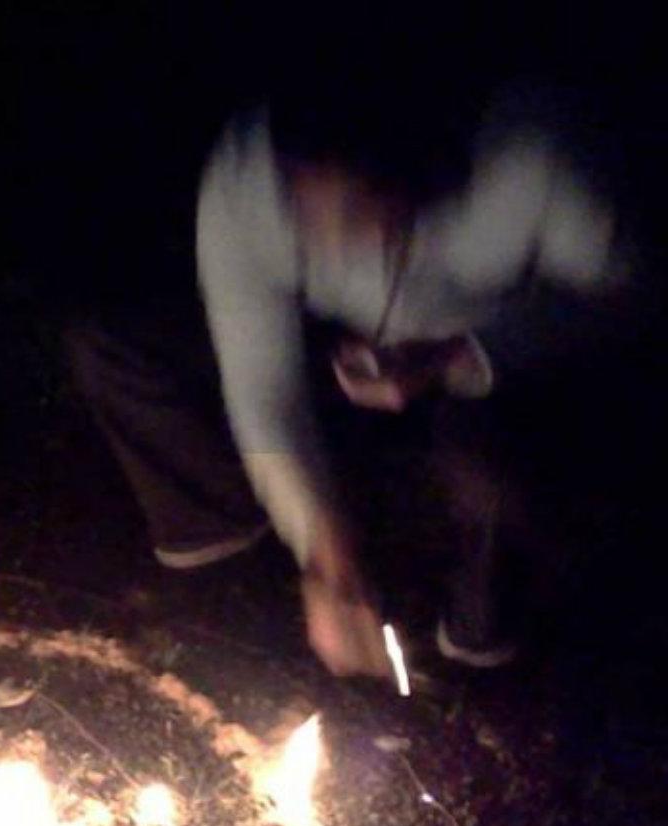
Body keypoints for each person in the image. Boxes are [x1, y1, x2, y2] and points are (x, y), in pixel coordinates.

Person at [68, 77, 633, 677]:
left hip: (496, 354)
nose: (332, 247)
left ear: (422, 167)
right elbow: (260, 382)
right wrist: (326, 552)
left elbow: (627, 301)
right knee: (115, 345)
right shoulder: (248, 181)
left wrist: (463, 353)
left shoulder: (535, 159)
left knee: (497, 478)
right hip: (351, 350)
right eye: (310, 221)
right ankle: (236, 565)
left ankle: (480, 645)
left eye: (361, 215)